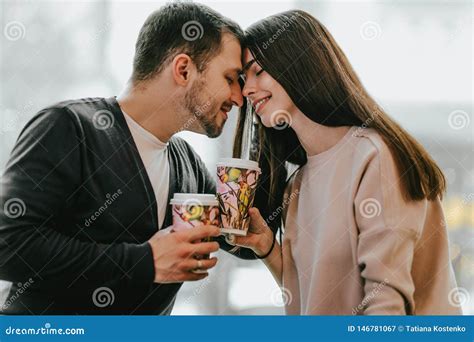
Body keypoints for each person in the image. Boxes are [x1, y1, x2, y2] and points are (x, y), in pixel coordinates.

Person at [0, 2, 256, 315]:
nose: (239, 98)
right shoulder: (68, 127)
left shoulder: (187, 165)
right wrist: (144, 262)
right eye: (230, 78)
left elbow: (242, 240)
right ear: (184, 69)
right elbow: (8, 245)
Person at [232, 10, 462, 315]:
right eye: (242, 78)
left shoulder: (373, 157)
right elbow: (309, 302)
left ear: (298, 65)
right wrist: (268, 249)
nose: (246, 90)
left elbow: (386, 308)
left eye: (257, 71)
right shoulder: (298, 185)